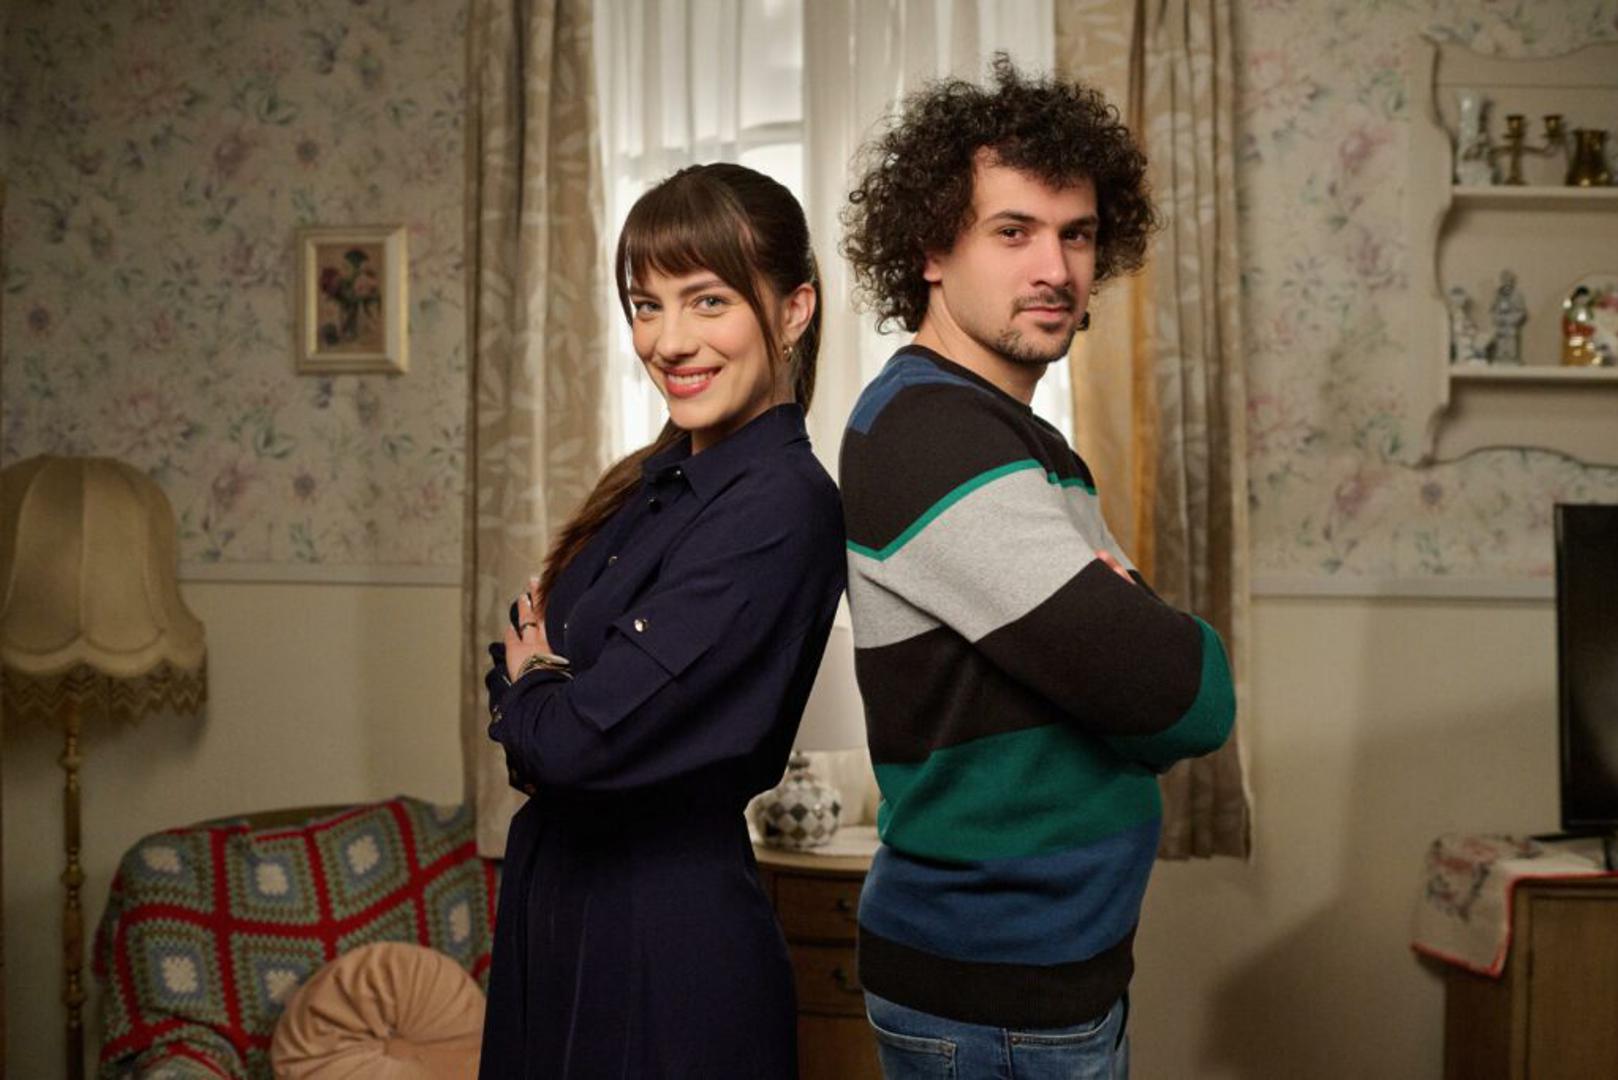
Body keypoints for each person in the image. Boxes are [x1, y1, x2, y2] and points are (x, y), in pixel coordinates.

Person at [837, 58, 1237, 1078]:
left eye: (1077, 234)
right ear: (932, 247)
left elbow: (1125, 675)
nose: (1055, 268)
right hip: (992, 998)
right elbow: (1180, 698)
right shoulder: (927, 436)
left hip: (1048, 981)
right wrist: (1165, 643)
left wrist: (1129, 645)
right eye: (1013, 232)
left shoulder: (1021, 441)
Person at [479, 162, 845, 1079]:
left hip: (663, 937)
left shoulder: (781, 506)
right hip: (560, 911)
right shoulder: (646, 484)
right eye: (647, 306)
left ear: (794, 310)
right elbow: (539, 703)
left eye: (708, 300)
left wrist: (534, 690)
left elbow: (570, 744)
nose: (669, 341)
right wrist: (541, 700)